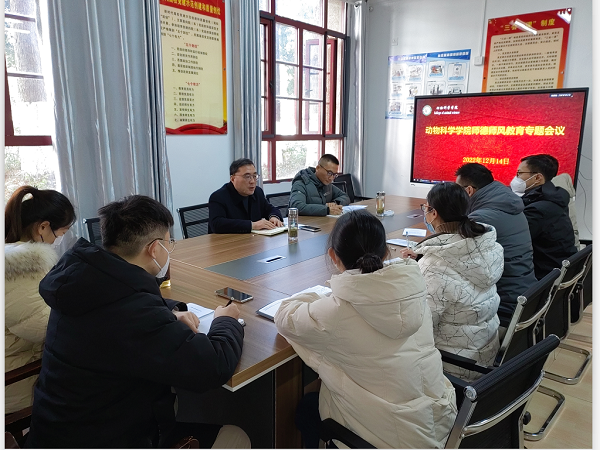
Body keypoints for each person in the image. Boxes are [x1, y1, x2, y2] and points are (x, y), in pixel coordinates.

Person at [26, 195, 250, 448]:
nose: (169, 250)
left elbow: (124, 308)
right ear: (154, 249)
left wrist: (170, 311)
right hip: (111, 437)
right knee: (236, 436)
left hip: (55, 430)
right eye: (169, 243)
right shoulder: (133, 312)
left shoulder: (81, 282)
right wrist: (226, 321)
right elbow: (213, 366)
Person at [275, 210, 457, 448]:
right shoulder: (413, 291)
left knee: (306, 410)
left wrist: (331, 294)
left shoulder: (336, 312)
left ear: (333, 256)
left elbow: (285, 315)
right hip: (439, 427)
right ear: (386, 252)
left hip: (387, 440)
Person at [402, 182, 504, 381]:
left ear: (433, 213)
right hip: (485, 350)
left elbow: (420, 329)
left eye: (425, 208)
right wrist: (422, 258)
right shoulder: (487, 247)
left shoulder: (434, 267)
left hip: (456, 366)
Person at [5, 186, 75, 414]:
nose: (58, 241)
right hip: (15, 381)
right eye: (61, 233)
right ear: (43, 227)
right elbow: (50, 330)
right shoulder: (19, 270)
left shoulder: (11, 257)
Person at [455, 163, 537, 322]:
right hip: (524, 289)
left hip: (504, 302)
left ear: (469, 191)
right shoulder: (508, 204)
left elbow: (454, 257)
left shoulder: (480, 218)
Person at [511, 154, 577, 279]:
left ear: (537, 178)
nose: (516, 178)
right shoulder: (553, 196)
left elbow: (514, 241)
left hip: (544, 275)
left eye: (519, 173)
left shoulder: (538, 209)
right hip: (559, 266)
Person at [208, 158, 283, 233]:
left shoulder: (257, 192)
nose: (252, 181)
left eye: (254, 176)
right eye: (247, 177)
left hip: (252, 238)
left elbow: (270, 209)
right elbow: (217, 224)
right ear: (233, 179)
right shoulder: (218, 197)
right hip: (227, 239)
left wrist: (274, 217)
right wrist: (252, 225)